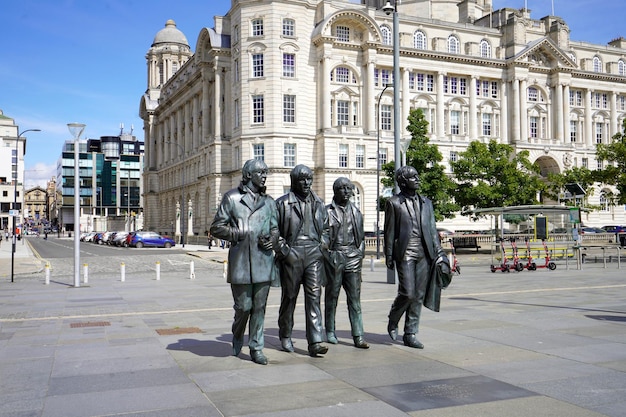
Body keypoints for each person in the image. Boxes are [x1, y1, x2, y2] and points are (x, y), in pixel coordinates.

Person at [210, 159, 279, 365]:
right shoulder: (232, 198)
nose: (265, 176)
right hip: (240, 262)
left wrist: (272, 240)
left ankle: (256, 347)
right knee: (243, 307)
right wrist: (238, 232)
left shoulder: (269, 202)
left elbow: (275, 228)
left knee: (259, 307)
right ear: (248, 175)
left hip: (263, 262)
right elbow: (216, 227)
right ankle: (237, 333)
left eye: (266, 172)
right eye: (261, 172)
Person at [384, 165, 450, 349]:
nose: (418, 179)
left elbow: (431, 230)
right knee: (407, 292)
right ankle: (393, 318)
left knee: (419, 295)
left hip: (424, 252)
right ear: (403, 181)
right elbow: (389, 232)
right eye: (413, 177)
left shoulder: (426, 203)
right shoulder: (394, 203)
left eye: (417, 176)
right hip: (405, 252)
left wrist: (439, 254)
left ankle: (410, 333)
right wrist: (389, 255)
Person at [274, 164, 330, 357]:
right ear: (294, 181)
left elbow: (327, 229)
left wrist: (323, 244)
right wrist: (284, 251)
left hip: (314, 254)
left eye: (309, 179)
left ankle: (315, 341)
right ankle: (285, 334)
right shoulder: (282, 203)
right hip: (293, 253)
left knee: (314, 297)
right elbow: (275, 231)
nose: (306, 183)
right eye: (302, 179)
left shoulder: (319, 203)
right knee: (289, 297)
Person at [324, 177, 369, 349]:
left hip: (353, 257)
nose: (346, 191)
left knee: (355, 300)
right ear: (335, 191)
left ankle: (358, 335)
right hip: (335, 256)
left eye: (348, 188)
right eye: (342, 188)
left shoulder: (356, 212)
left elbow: (362, 237)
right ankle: (330, 330)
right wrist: (327, 253)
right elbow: (323, 234)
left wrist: (360, 254)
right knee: (332, 297)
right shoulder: (326, 211)